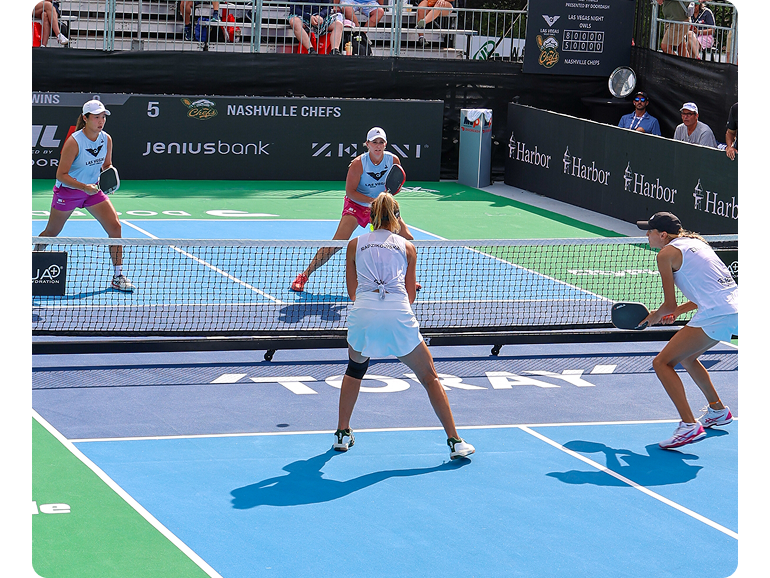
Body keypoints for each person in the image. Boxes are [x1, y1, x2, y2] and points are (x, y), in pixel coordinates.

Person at [333, 192, 475, 460]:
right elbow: (409, 297)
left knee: (354, 369)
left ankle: (342, 434)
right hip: (398, 315)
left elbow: (353, 293)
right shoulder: (408, 248)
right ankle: (455, 441)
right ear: (396, 216)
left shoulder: (354, 245)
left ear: (371, 217)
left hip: (363, 313)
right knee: (430, 377)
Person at [636, 212, 737, 449]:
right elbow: (708, 291)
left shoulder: (665, 254)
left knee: (662, 363)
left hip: (717, 312)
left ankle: (688, 426)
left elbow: (667, 305)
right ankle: (718, 410)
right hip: (734, 307)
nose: (647, 235)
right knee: (689, 358)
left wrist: (652, 317)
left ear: (662, 235)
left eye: (649, 231)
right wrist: (678, 312)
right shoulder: (697, 243)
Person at [290, 127, 415, 292]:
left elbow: (393, 184)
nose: (378, 146)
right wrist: (374, 201)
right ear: (367, 144)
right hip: (356, 205)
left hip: (381, 207)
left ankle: (408, 278)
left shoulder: (393, 161)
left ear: (385, 144)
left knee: (408, 240)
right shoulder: (358, 164)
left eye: (381, 142)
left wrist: (383, 203)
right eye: (374, 142)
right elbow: (351, 192)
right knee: (336, 244)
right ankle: (304, 275)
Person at [35, 100, 134, 293]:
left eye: (103, 116)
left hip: (93, 192)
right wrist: (83, 187)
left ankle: (118, 276)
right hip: (68, 191)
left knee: (115, 227)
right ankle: (30, 260)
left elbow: (106, 165)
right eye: (96, 117)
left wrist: (109, 176)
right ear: (85, 118)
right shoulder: (74, 142)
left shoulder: (106, 139)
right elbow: (61, 175)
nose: (101, 121)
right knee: (52, 233)